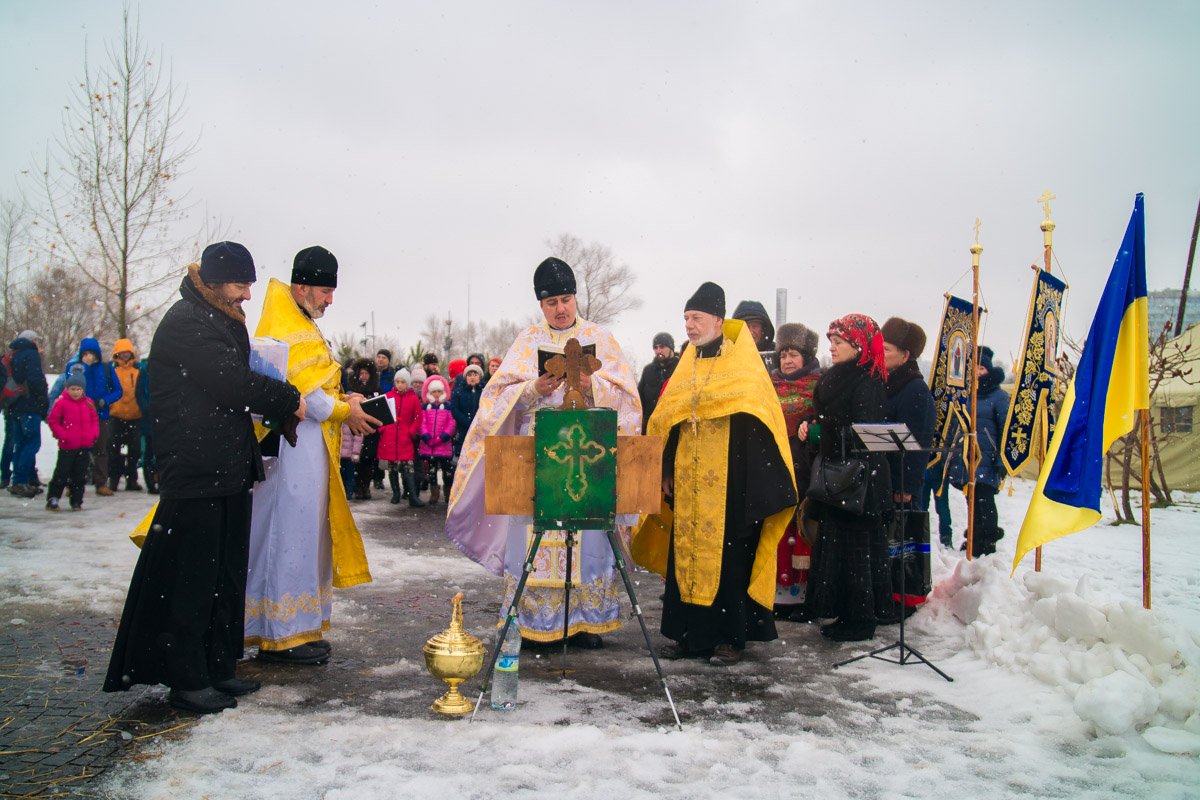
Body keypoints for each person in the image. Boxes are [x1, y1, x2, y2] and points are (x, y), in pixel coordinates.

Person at [104, 241, 303, 714]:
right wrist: (286, 395)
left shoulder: (217, 316)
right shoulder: (186, 321)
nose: (247, 296)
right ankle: (186, 677)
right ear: (213, 281)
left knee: (225, 573)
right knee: (194, 576)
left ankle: (218, 665)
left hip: (226, 466)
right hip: (196, 469)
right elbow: (230, 382)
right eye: (240, 285)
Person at [447, 257, 641, 648]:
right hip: (538, 458)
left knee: (586, 535)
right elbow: (494, 400)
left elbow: (628, 400)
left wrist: (592, 386)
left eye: (566, 299)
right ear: (541, 305)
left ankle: (584, 620)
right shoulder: (526, 341)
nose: (561, 308)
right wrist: (532, 389)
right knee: (537, 537)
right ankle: (535, 618)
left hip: (588, 453)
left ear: (576, 299)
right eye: (552, 302)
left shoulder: (601, 338)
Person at [632, 283, 797, 665]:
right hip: (689, 481)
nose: (689, 326)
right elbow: (669, 419)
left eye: (696, 318)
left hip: (730, 482)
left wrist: (750, 483)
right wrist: (666, 467)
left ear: (718, 320)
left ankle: (729, 639)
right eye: (686, 318)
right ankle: (691, 635)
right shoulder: (686, 361)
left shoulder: (743, 365)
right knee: (686, 555)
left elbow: (759, 421)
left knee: (729, 559)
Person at [244, 245, 377, 666]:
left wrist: (346, 399)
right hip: (291, 451)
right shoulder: (285, 324)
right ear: (302, 286)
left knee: (306, 537)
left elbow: (320, 388)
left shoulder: (300, 319)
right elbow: (303, 394)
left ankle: (299, 627)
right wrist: (344, 410)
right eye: (324, 290)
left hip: (312, 451)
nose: (329, 300)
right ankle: (278, 633)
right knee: (286, 536)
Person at [798, 314, 893, 643]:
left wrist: (825, 430)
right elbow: (829, 415)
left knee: (857, 551)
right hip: (838, 477)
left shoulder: (868, 381)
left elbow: (864, 432)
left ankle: (860, 618)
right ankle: (841, 610)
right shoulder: (839, 375)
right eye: (832, 343)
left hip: (860, 480)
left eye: (839, 343)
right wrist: (812, 423)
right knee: (838, 546)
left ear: (859, 346)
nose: (833, 349)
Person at [880, 318, 937, 613]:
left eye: (887, 349)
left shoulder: (914, 389)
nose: (881, 352)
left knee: (902, 543)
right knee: (887, 542)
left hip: (901, 482)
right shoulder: (886, 382)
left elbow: (918, 445)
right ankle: (887, 594)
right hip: (884, 478)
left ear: (905, 355)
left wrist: (906, 488)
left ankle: (904, 599)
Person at [770, 322, 822, 619]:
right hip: (776, 467)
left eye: (793, 355)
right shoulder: (770, 386)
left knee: (803, 531)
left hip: (804, 468)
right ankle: (779, 594)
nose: (787, 361)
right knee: (779, 531)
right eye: (783, 355)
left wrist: (812, 423)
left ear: (806, 357)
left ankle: (803, 596)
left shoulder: (818, 386)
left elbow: (823, 421)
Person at [948, 346, 1009, 557]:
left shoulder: (998, 397)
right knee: (971, 500)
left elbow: (1005, 428)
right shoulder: (965, 394)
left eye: (981, 368)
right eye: (973, 367)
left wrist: (1002, 458)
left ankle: (988, 540)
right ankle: (973, 539)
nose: (977, 372)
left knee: (985, 499)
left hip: (987, 456)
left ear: (988, 370)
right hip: (968, 457)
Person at [55, 338, 122, 495]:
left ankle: (101, 483)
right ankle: (73, 484)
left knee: (100, 450)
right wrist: (84, 367)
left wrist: (105, 401)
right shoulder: (74, 367)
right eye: (86, 353)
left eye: (92, 353)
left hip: (100, 415)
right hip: (77, 416)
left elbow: (118, 390)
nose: (89, 356)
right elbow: (71, 386)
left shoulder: (106, 368)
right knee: (76, 451)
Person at [45, 369, 99, 511]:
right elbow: (53, 421)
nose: (75, 392)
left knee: (79, 476)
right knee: (61, 474)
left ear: (83, 390)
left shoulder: (88, 403)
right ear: (67, 389)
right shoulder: (61, 403)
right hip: (68, 446)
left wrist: (93, 434)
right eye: (73, 389)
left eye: (78, 389)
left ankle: (76, 501)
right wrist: (63, 435)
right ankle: (53, 498)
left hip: (84, 446)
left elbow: (94, 420)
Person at [4, 330, 49, 498]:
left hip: (15, 405)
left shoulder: (14, 354)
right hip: (29, 406)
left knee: (20, 444)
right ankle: (20, 481)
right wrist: (43, 401)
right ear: (31, 340)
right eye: (36, 339)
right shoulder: (31, 354)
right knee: (32, 443)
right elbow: (35, 379)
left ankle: (19, 479)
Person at [377, 367, 424, 506]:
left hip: (405, 438)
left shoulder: (413, 398)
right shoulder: (388, 396)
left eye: (403, 382)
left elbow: (418, 417)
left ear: (407, 383)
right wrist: (383, 429)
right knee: (392, 468)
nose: (400, 384)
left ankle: (412, 496)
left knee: (408, 468)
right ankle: (396, 494)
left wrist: (411, 431)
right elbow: (380, 414)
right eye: (397, 381)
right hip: (390, 437)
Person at [106, 338, 143, 492]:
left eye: (127, 353)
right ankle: (113, 478)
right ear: (117, 354)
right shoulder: (113, 371)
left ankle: (131, 479)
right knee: (113, 450)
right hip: (116, 415)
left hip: (135, 415)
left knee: (135, 451)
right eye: (122, 353)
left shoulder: (138, 372)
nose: (125, 356)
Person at [418, 374, 456, 504]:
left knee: (447, 472)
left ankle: (448, 493)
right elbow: (421, 423)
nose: (436, 394)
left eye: (439, 391)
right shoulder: (425, 408)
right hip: (429, 446)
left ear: (443, 392)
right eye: (433, 391)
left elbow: (452, 423)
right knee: (432, 472)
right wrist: (427, 437)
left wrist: (443, 437)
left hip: (443, 445)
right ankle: (434, 493)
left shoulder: (448, 407)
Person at [348, 357, 381, 500]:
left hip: (371, 430)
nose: (364, 376)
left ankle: (366, 486)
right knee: (354, 460)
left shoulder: (376, 389)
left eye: (367, 373)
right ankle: (356, 487)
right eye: (361, 373)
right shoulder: (352, 390)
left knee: (368, 460)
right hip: (355, 430)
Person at [637, 332, 679, 433]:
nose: (658, 350)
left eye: (662, 346)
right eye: (655, 347)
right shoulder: (648, 370)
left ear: (671, 347)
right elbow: (639, 400)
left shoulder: (681, 369)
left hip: (674, 429)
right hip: (650, 428)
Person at [732, 299, 778, 372]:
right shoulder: (728, 354)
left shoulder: (777, 354)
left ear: (763, 329)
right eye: (746, 327)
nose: (750, 332)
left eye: (755, 326)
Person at [449, 362, 483, 459]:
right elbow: (454, 409)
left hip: (480, 429)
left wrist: (478, 422)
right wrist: (466, 421)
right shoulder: (458, 392)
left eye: (475, 375)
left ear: (479, 377)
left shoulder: (484, 391)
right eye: (469, 375)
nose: (472, 377)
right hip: (463, 429)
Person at [134, 356, 158, 494]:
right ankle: (150, 483)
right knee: (149, 451)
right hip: (148, 418)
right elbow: (139, 393)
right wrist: (147, 408)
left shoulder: (169, 369)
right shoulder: (145, 371)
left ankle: (160, 480)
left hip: (164, 417)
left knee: (163, 451)